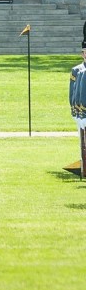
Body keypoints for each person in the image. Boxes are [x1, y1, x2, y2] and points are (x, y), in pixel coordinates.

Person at [66, 23, 86, 176]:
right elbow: (73, 93)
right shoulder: (77, 70)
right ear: (82, 54)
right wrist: (76, 111)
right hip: (82, 112)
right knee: (83, 142)